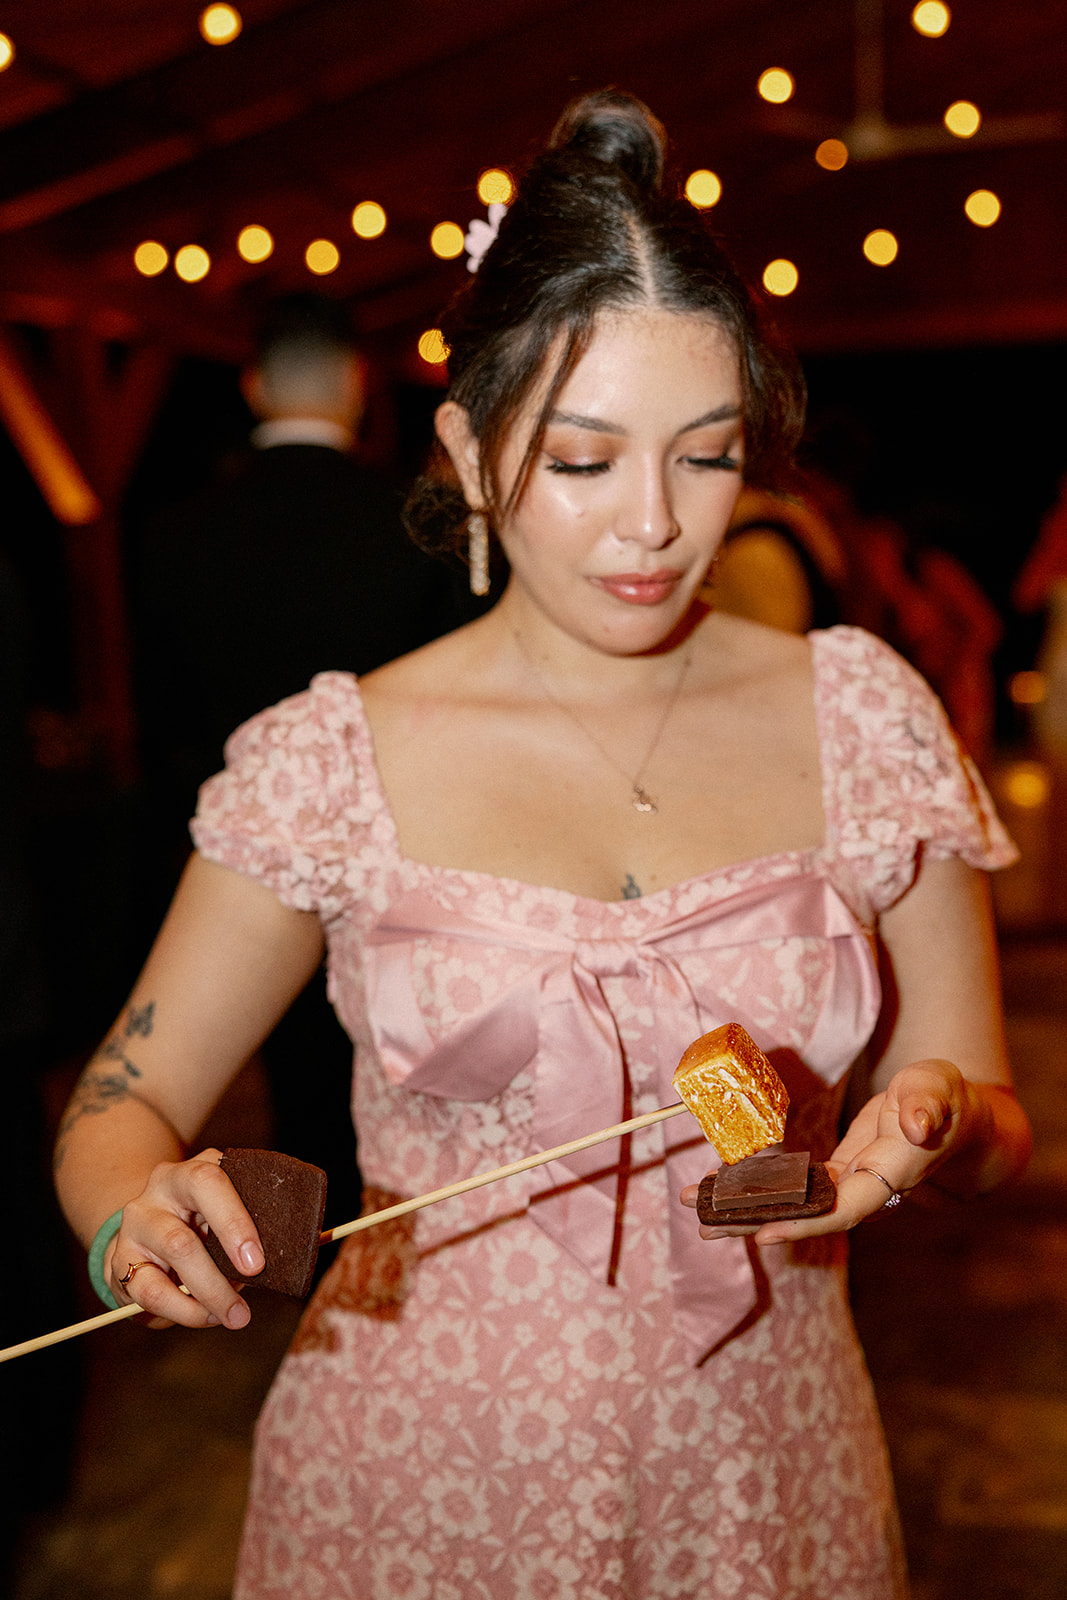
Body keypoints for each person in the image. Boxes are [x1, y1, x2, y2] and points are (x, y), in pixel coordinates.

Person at [55, 91, 1031, 1599]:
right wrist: (136, 1215)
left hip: (759, 1475)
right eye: (579, 462)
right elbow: (118, 1108)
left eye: (702, 458)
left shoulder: (862, 712)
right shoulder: (330, 758)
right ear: (466, 444)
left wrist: (925, 1131)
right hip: (413, 1482)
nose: (648, 525)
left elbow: (984, 1111)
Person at [133, 294, 485, 1220]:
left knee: (295, 1081)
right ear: (358, 383)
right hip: (411, 863)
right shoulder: (414, 523)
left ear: (253, 385)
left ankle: (311, 1244)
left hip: (237, 864)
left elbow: (157, 716)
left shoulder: (173, 537)